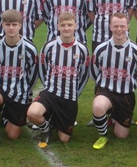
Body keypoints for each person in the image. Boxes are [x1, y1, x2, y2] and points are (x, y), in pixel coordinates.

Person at [28, 12, 90, 148]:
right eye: (63, 25)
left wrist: (75, 93)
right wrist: (48, 87)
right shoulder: (49, 46)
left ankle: (54, 119)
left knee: (64, 139)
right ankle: (46, 129)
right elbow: (42, 68)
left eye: (69, 25)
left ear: (75, 26)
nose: (66, 28)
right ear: (58, 27)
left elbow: (85, 75)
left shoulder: (83, 49)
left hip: (69, 98)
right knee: (32, 113)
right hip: (50, 93)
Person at [90, 12, 137, 150]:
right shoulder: (101, 49)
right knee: (98, 106)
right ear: (110, 27)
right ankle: (103, 135)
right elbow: (94, 71)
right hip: (106, 90)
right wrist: (103, 83)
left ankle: (113, 115)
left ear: (128, 26)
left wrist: (130, 84)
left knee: (121, 135)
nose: (119, 29)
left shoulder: (136, 51)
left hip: (126, 95)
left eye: (122, 26)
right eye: (115, 26)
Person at [0, 9, 39, 148]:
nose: (11, 28)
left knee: (13, 136)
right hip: (0, 88)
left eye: (14, 24)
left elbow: (33, 75)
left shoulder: (30, 49)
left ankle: (6, 115)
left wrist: (27, 94)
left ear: (20, 25)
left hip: (20, 93)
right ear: (2, 25)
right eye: (8, 24)